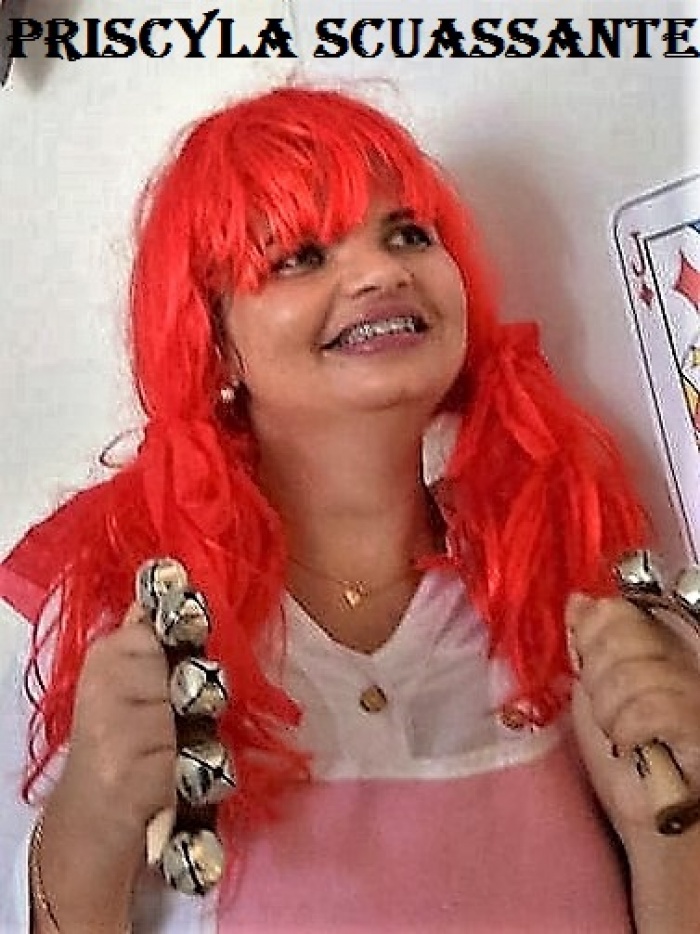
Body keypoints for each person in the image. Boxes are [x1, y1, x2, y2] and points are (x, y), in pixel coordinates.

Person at [1, 83, 700, 934]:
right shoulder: (109, 622)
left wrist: (673, 830)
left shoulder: (574, 596)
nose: (381, 272)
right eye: (300, 256)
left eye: (409, 234)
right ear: (215, 343)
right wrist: (93, 820)